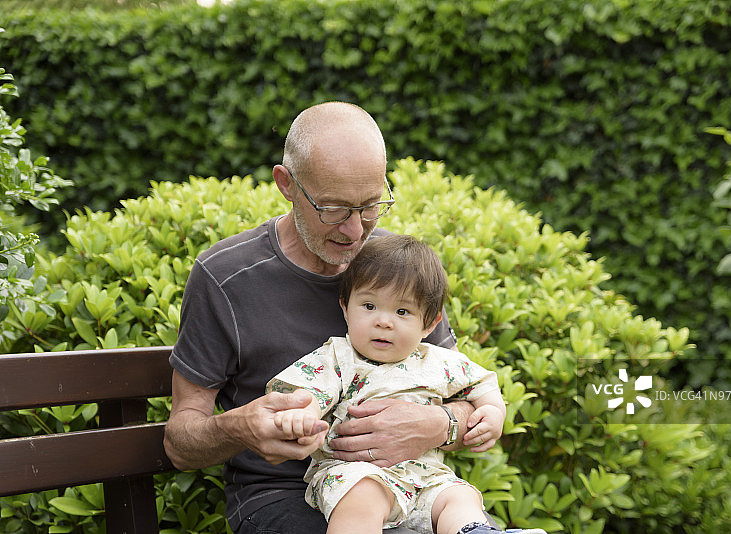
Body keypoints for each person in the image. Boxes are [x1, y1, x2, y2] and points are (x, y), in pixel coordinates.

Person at [163, 102, 481, 534]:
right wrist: (238, 428)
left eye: (371, 206)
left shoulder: (394, 269)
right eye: (333, 209)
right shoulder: (225, 278)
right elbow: (180, 441)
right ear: (286, 184)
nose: (355, 231)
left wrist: (440, 424)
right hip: (279, 497)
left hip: (411, 488)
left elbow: (466, 397)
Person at [267, 235, 546, 534]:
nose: (383, 322)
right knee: (362, 497)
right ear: (346, 307)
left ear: (429, 324)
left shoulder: (437, 361)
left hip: (426, 478)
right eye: (370, 305)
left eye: (402, 312)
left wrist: (493, 413)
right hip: (354, 472)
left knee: (459, 496)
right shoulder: (338, 357)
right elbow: (309, 389)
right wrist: (303, 414)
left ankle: (475, 532)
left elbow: (483, 384)